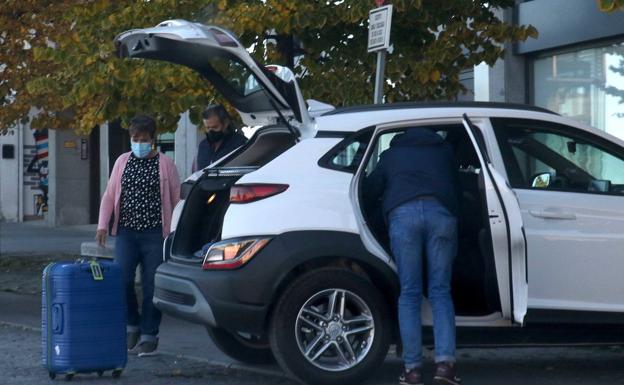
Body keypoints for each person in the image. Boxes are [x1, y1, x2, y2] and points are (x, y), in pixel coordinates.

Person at [364, 128, 461, 385]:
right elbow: (457, 186)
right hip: (441, 215)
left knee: (409, 293)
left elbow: (370, 190)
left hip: (403, 217)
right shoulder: (444, 152)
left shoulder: (392, 155)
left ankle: (412, 370)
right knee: (440, 290)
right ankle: (445, 367)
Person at [96, 115, 180, 357]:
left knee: (152, 284)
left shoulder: (166, 164)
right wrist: (103, 225)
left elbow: (176, 200)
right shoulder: (122, 161)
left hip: (155, 233)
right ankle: (131, 325)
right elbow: (110, 195)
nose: (139, 143)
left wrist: (174, 233)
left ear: (152, 139)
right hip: (126, 232)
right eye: (135, 138)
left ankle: (149, 334)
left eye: (144, 139)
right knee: (121, 279)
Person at [194, 104, 247, 171]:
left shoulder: (240, 143)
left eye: (215, 127)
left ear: (225, 124)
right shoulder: (203, 145)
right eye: (207, 128)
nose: (210, 131)